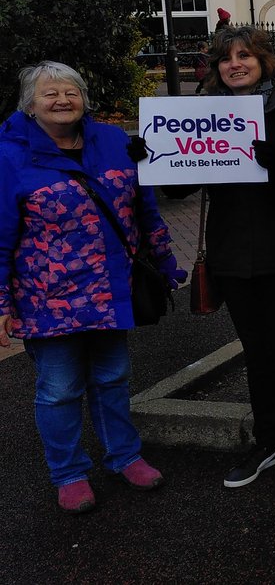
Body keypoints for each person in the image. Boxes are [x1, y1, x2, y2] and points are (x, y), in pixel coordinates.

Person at [0, 62, 184, 513]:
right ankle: (69, 473)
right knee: (59, 388)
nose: (62, 100)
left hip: (110, 289)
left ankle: (125, 456)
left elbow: (144, 208)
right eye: (50, 94)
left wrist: (165, 261)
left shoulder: (114, 141)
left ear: (84, 97)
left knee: (112, 377)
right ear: (29, 104)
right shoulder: (9, 156)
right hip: (47, 298)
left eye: (71, 91)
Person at [164, 26, 275, 490]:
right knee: (256, 351)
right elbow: (178, 188)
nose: (236, 65)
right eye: (226, 58)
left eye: (245, 55)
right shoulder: (203, 115)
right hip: (232, 253)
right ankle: (266, 441)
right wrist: (153, 156)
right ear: (217, 67)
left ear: (263, 61)